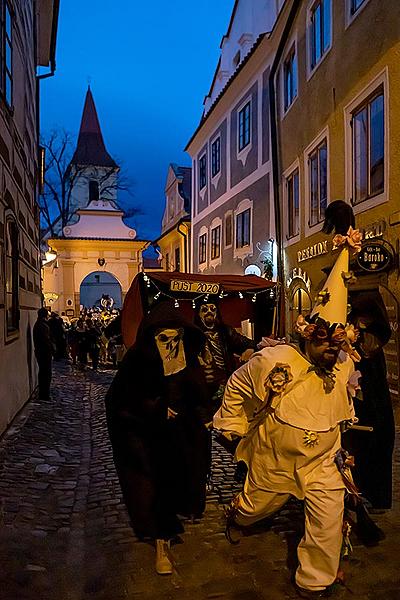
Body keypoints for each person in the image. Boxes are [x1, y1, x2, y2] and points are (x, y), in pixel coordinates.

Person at [214, 203, 364, 598]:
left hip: (321, 461)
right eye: (326, 342)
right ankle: (240, 514)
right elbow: (237, 386)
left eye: (339, 344)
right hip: (274, 460)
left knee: (328, 518)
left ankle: (314, 582)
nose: (334, 351)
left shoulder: (345, 365)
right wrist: (231, 424)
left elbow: (343, 411)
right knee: (254, 508)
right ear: (309, 334)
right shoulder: (274, 360)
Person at [105, 301, 211, 575]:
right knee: (154, 490)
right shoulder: (136, 362)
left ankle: (171, 522)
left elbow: (196, 393)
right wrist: (155, 408)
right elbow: (120, 401)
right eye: (164, 339)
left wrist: (203, 415)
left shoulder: (186, 355)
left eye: (177, 338)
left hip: (180, 438)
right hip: (146, 439)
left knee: (179, 484)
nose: (171, 345)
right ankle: (161, 544)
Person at [345, 293, 395, 510]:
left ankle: (375, 498)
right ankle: (362, 493)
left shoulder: (371, 341)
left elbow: (365, 369)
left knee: (374, 453)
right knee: (362, 452)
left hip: (373, 407)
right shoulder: (362, 335)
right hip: (364, 405)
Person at [33, 308, 54, 401]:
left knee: (43, 372)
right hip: (44, 352)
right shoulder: (42, 325)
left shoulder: (38, 324)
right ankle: (44, 394)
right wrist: (52, 348)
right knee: (46, 373)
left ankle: (44, 393)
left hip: (40, 351)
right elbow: (46, 340)